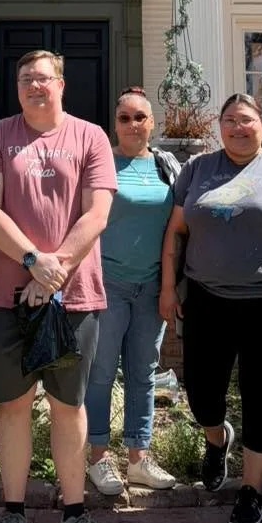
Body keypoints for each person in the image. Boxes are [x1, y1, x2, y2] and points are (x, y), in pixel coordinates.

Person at [0, 49, 117, 523]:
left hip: (74, 298)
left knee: (67, 406)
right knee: (12, 405)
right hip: (3, 298)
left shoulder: (90, 136)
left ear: (62, 84)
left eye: (44, 78)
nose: (35, 86)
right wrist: (34, 261)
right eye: (26, 79)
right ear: (17, 87)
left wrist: (53, 275)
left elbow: (96, 213)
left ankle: (74, 516)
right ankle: (14, 515)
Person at [159, 93, 262, 523]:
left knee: (259, 395)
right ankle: (217, 439)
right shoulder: (197, 169)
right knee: (201, 393)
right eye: (229, 120)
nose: (237, 127)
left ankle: (252, 491)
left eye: (245, 120)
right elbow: (176, 230)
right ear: (220, 127)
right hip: (207, 299)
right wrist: (169, 287)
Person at [84, 87, 178, 496]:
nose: (133, 125)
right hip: (107, 285)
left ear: (152, 123)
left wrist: (170, 286)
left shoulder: (167, 166)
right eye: (124, 118)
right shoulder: (101, 163)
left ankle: (139, 459)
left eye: (140, 117)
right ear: (114, 124)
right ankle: (97, 459)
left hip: (151, 286)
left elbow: (177, 228)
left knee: (143, 374)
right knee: (101, 373)